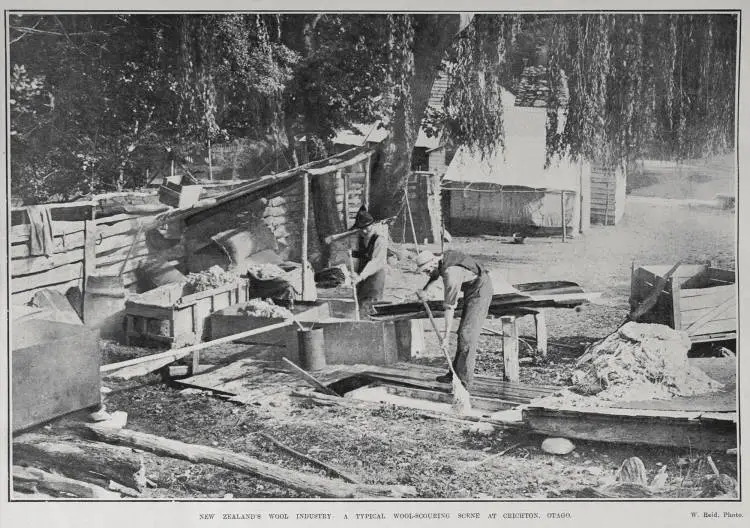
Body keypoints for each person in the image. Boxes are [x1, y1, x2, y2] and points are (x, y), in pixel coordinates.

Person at [415, 249, 493, 387]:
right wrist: (425, 290)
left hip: (480, 290)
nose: (426, 274)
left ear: (433, 263)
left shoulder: (451, 274)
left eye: (426, 270)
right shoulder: (440, 261)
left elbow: (450, 307)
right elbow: (434, 275)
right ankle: (454, 374)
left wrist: (445, 337)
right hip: (471, 288)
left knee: (467, 335)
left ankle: (464, 384)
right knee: (462, 334)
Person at [350, 206, 388, 317]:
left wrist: (361, 276)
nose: (365, 231)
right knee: (361, 303)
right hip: (361, 275)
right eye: (362, 228)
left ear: (373, 224)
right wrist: (354, 274)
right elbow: (356, 257)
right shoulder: (360, 238)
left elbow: (376, 262)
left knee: (372, 303)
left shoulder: (379, 239)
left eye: (368, 227)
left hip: (375, 274)